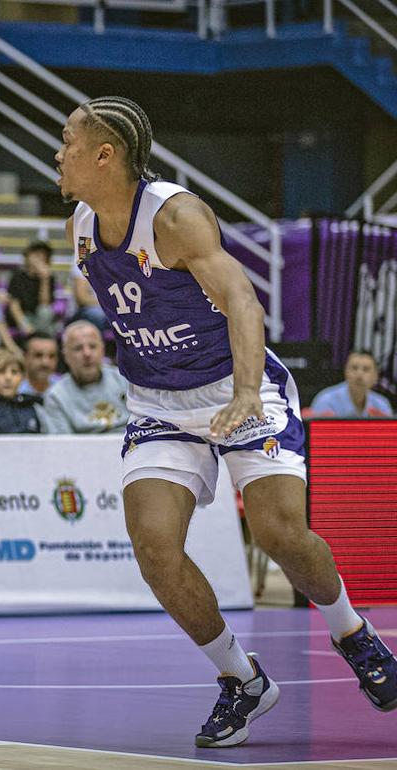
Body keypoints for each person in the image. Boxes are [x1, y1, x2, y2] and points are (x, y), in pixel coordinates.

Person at [58, 95, 396, 748]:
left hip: (238, 387)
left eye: (68, 140)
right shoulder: (80, 224)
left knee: (279, 533)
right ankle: (242, 679)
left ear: (105, 154)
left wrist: (245, 392)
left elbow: (240, 295)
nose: (58, 152)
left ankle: (351, 631)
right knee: (155, 547)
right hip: (159, 402)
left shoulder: (177, 215)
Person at [42, 321, 129, 434]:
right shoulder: (56, 396)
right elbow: (62, 447)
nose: (87, 354)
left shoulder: (125, 380)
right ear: (65, 356)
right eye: (78, 348)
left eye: (92, 346)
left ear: (102, 350)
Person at [308, 350, 393, 417]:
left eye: (366, 369)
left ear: (376, 376)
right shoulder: (326, 401)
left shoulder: (382, 405)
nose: (359, 374)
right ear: (346, 372)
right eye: (354, 368)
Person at [6, 240, 60, 336]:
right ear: (27, 256)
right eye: (36, 254)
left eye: (43, 255)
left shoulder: (49, 278)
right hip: (22, 316)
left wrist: (45, 280)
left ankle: (40, 340)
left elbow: (45, 303)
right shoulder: (18, 276)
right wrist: (24, 325)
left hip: (40, 317)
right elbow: (14, 305)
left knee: (45, 312)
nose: (39, 258)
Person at [18, 331, 60, 396]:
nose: (45, 363)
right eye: (38, 355)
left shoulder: (64, 388)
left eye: (51, 356)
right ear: (24, 357)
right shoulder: (14, 391)